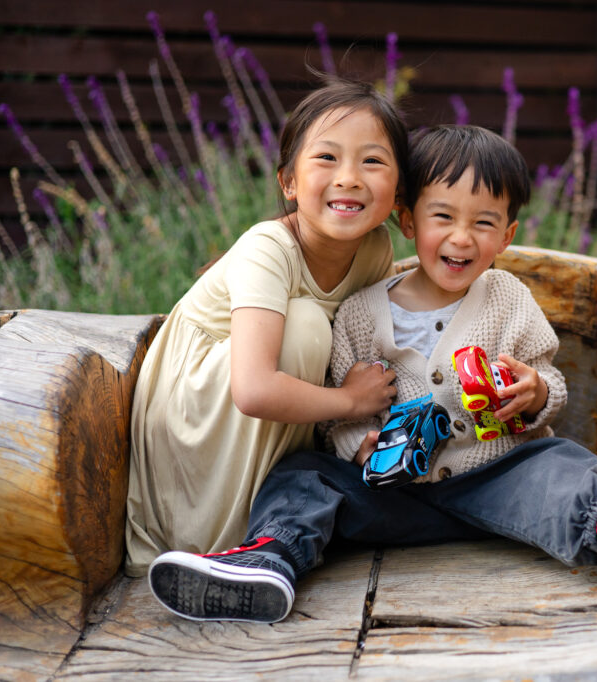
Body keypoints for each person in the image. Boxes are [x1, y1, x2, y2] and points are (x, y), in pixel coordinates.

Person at [147, 125, 597, 623]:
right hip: (392, 497)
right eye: (443, 218)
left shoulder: (506, 298)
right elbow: (341, 415)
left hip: (493, 479)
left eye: (483, 223)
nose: (461, 238)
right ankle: (270, 559)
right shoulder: (361, 312)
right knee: (303, 476)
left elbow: (549, 378)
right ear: (408, 222)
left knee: (560, 461)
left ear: (507, 234)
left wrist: (534, 391)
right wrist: (363, 445)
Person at [123, 77, 406, 578]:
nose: (349, 177)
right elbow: (253, 390)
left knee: (323, 332)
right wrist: (351, 403)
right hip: (197, 413)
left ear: (398, 187)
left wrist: (367, 431)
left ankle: (276, 533)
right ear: (289, 182)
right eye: (326, 158)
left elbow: (367, 354)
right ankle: (225, 541)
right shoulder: (268, 247)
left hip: (271, 422)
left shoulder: (375, 250)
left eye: (373, 161)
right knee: (305, 326)